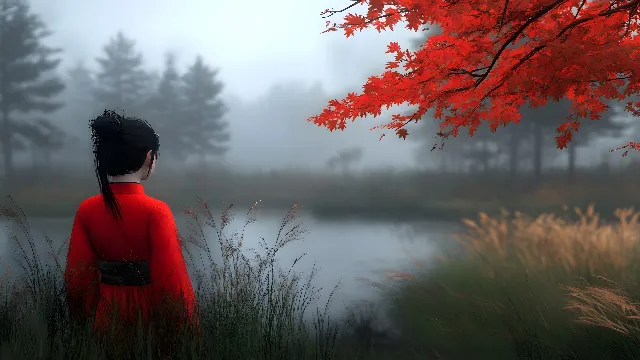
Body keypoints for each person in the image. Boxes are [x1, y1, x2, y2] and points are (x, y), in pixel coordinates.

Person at [64, 110, 198, 335]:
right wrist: (189, 329)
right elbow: (172, 281)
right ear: (149, 157)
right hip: (147, 320)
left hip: (105, 318)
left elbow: (78, 279)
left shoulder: (87, 209)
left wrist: (83, 323)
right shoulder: (156, 211)